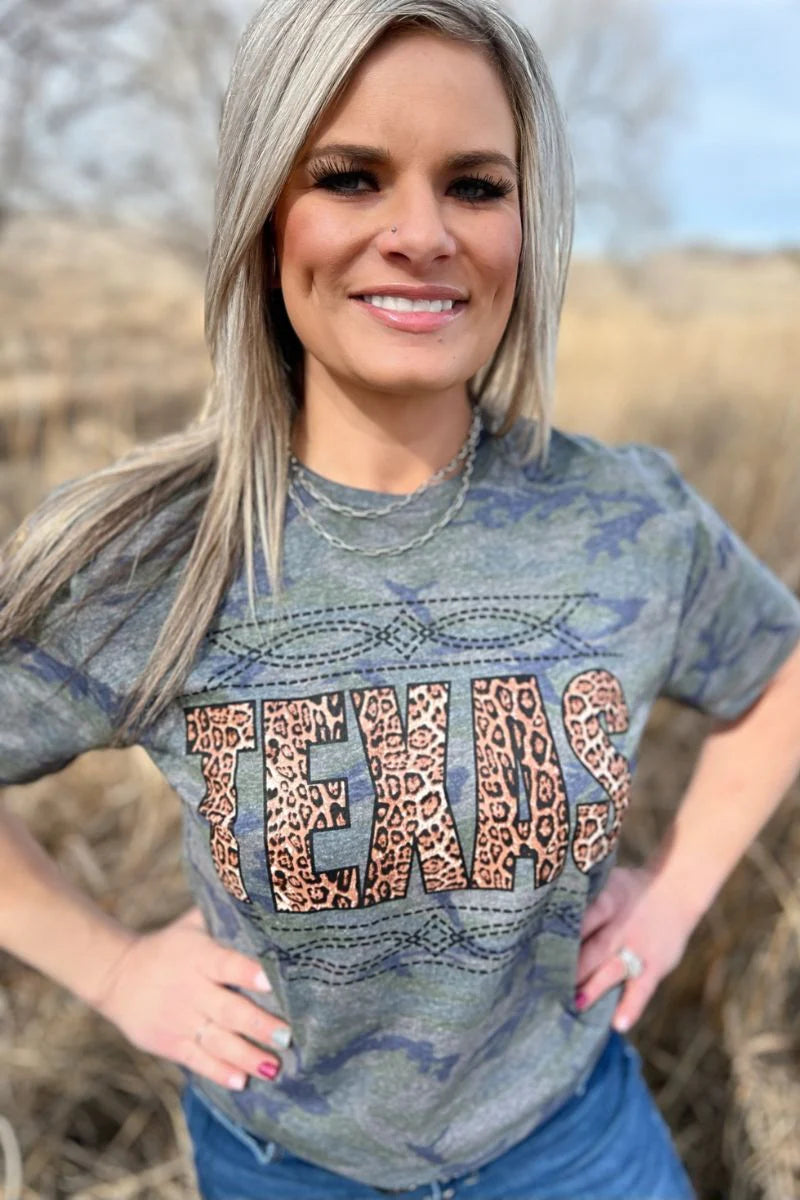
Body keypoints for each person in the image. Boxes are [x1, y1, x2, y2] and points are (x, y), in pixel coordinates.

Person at [1, 1, 799, 1197]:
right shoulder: (157, 556)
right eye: (350, 177)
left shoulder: (625, 518)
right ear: (264, 213)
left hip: (574, 1145)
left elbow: (778, 670)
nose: (420, 234)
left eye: (474, 186)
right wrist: (109, 968)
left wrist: (674, 898)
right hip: (286, 1163)